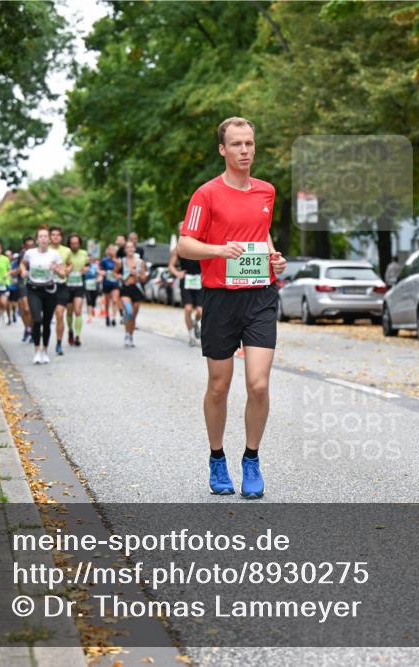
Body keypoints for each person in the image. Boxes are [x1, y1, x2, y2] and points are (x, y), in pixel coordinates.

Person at [177, 116, 287, 499]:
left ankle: (252, 459)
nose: (245, 151)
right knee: (220, 387)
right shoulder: (205, 194)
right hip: (220, 298)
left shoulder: (267, 192)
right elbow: (184, 245)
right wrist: (218, 250)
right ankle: (217, 457)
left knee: (258, 385)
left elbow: (262, 234)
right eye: (237, 144)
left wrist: (274, 258)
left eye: (250, 144)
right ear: (223, 149)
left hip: (259, 295)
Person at [20, 226, 66, 364]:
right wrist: (23, 271)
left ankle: (45, 351)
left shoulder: (55, 255)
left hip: (50, 290)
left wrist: (56, 270)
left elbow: (63, 274)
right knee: (37, 320)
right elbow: (22, 264)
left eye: (46, 236)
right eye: (41, 236)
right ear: (37, 239)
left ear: (49, 240)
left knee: (46, 322)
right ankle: (36, 351)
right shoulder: (30, 253)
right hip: (34, 290)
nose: (44, 239)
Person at [168, 223, 204, 347]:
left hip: (199, 280)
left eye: (183, 229)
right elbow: (171, 266)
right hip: (186, 280)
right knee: (188, 309)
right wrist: (177, 273)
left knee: (201, 311)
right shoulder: (178, 248)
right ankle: (191, 335)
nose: (182, 231)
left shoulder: (198, 244)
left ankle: (195, 323)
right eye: (179, 230)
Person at [116, 240, 148, 347]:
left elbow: (144, 278)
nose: (129, 249)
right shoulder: (122, 261)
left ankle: (130, 336)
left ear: (134, 248)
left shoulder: (140, 262)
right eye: (127, 247)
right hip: (126, 288)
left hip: (137, 289)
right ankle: (126, 333)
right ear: (125, 250)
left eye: (131, 247)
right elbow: (114, 273)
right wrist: (120, 277)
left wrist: (137, 274)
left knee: (133, 316)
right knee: (129, 311)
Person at [64, 233, 90, 347]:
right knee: (69, 311)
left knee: (78, 310)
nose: (75, 245)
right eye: (72, 243)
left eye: (77, 243)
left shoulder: (84, 253)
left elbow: (88, 264)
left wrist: (86, 269)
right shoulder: (65, 253)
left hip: (79, 285)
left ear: (80, 243)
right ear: (69, 244)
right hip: (67, 286)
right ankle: (70, 330)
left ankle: (78, 336)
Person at [49, 227, 71, 355]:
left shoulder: (66, 250)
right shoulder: (45, 250)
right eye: (53, 234)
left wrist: (67, 269)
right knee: (46, 317)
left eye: (58, 235)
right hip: (47, 285)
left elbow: (70, 263)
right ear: (50, 237)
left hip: (61, 285)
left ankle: (58, 343)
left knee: (59, 314)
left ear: (61, 237)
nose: (56, 237)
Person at [17, 236, 35, 341]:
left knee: (33, 309)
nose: (30, 248)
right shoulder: (22, 256)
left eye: (32, 246)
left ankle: (32, 330)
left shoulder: (39, 254)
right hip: (23, 283)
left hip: (35, 283)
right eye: (27, 246)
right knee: (26, 309)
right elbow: (19, 268)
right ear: (24, 246)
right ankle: (27, 328)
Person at [99, 244, 120, 327]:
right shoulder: (104, 260)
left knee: (115, 300)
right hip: (107, 283)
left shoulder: (118, 260)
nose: (112, 251)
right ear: (108, 251)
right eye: (110, 250)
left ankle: (114, 318)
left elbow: (120, 271)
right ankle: (107, 316)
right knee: (107, 302)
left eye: (113, 250)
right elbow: (100, 269)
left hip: (115, 283)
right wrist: (102, 273)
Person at [83, 254, 100, 323]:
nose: (89, 260)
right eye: (88, 259)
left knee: (93, 301)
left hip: (94, 285)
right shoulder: (84, 266)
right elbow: (81, 273)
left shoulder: (95, 266)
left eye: (91, 258)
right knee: (88, 300)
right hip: (86, 286)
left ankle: (92, 308)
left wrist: (99, 278)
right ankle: (89, 316)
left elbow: (99, 274)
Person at [7, 249, 21, 325]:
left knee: (14, 302)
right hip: (5, 286)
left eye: (9, 255)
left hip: (14, 285)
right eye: (6, 255)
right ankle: (9, 318)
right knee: (7, 303)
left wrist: (12, 273)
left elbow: (16, 272)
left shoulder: (15, 263)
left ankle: (14, 314)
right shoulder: (3, 262)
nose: (8, 257)